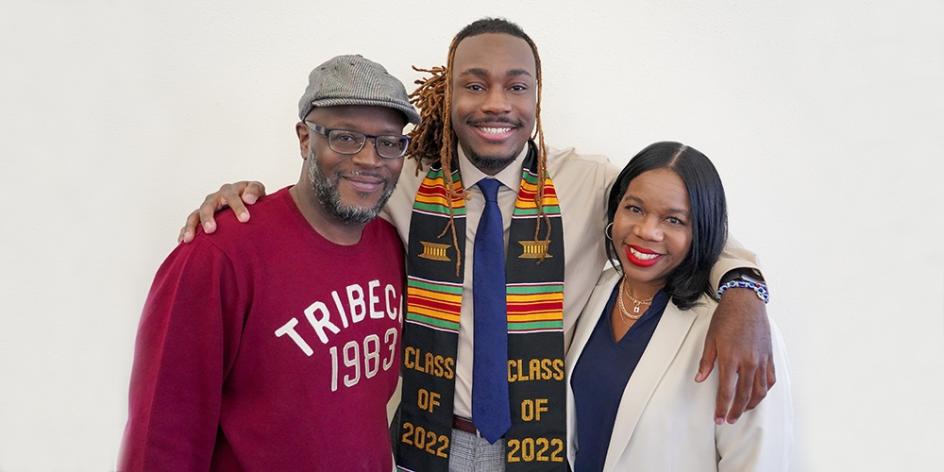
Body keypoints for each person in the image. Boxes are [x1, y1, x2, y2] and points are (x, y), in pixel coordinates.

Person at [177, 18, 776, 471]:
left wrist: (745, 292)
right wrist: (242, 200)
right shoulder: (403, 176)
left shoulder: (589, 183)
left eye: (517, 87)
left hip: (541, 442)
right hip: (424, 441)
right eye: (475, 85)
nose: (496, 103)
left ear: (537, 97)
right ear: (449, 95)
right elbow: (329, 189)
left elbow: (676, 226)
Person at [119, 55, 419, 471]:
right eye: (345, 137)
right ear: (303, 138)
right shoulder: (219, 255)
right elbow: (161, 437)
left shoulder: (391, 244)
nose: (370, 159)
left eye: (388, 142)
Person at [566, 142, 792, 471]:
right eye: (634, 209)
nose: (646, 231)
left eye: (673, 220)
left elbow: (756, 462)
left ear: (702, 229)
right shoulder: (594, 291)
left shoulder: (736, 331)